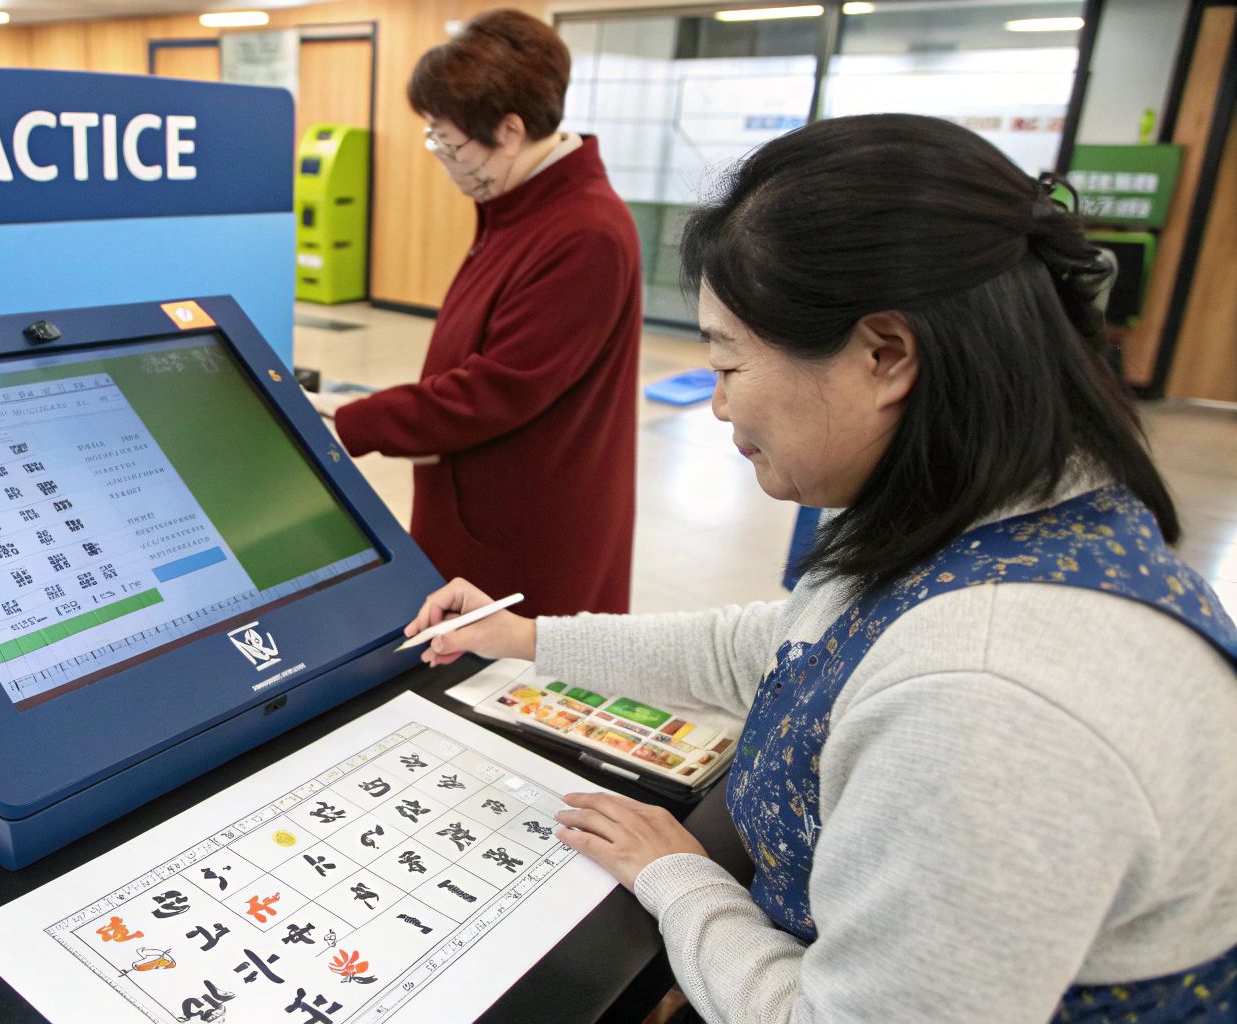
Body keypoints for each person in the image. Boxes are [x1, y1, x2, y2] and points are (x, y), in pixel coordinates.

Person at [401, 113, 1237, 1021]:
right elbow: (782, 648)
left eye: (728, 359)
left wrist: (680, 879)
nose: (717, 404)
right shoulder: (998, 506)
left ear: (885, 355)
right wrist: (526, 636)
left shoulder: (986, 698)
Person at [311, 8, 643, 618]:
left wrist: (355, 422)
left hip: (527, 514)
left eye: (447, 137)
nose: (440, 155)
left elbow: (498, 389)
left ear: (510, 131)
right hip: (480, 493)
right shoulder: (521, 207)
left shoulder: (583, 232)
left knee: (502, 676)